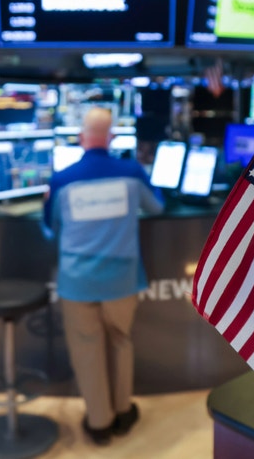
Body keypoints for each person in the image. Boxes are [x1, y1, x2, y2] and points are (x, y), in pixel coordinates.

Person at [42, 108, 164, 445]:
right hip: (122, 280)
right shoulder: (131, 172)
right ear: (110, 138)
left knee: (86, 349)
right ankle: (123, 412)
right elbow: (157, 208)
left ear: (82, 139)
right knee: (120, 341)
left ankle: (99, 424)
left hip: (77, 283)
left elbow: (51, 229)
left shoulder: (61, 180)